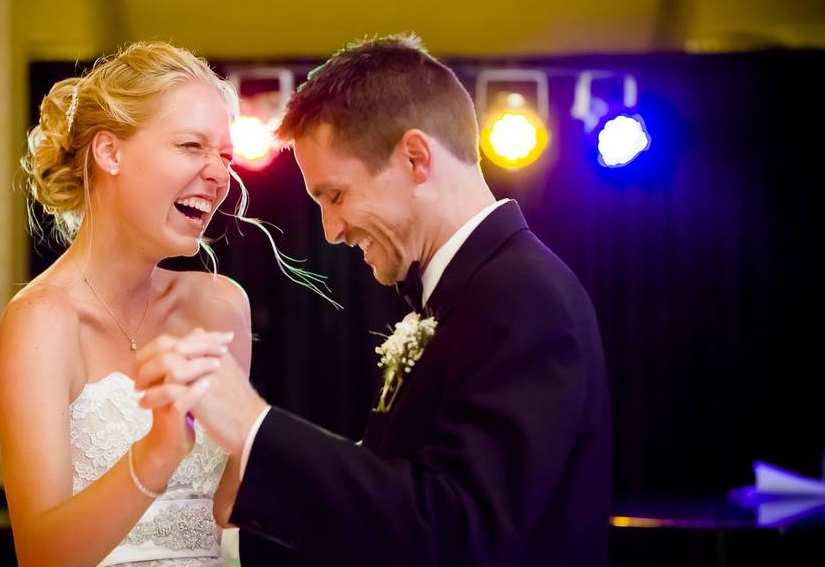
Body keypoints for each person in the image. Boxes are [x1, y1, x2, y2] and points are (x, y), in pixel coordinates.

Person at [138, 34, 612, 566]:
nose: (332, 230)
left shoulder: (521, 297)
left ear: (415, 158)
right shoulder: (476, 290)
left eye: (335, 196)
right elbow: (394, 525)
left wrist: (253, 423)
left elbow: (456, 534)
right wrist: (230, 546)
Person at [0, 41, 252, 567]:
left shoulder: (221, 307)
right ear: (109, 152)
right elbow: (42, 556)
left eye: (223, 155)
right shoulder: (40, 323)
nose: (219, 175)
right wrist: (156, 453)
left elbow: (227, 511)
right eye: (190, 146)